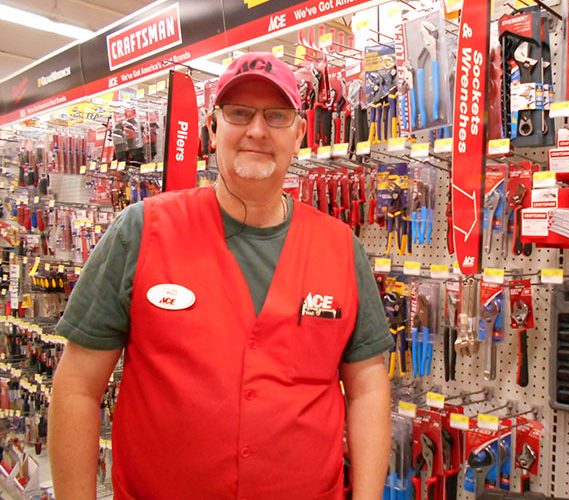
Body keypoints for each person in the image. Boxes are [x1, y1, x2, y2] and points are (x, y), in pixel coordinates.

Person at [49, 52, 393, 499]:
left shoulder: (340, 247)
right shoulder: (142, 230)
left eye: (276, 115)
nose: (257, 130)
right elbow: (77, 387)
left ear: (299, 133)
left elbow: (367, 388)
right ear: (212, 129)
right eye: (239, 113)